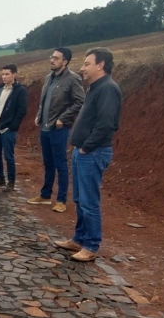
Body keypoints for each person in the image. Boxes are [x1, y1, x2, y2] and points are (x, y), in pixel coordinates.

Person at [54, 48, 122, 262]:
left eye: (86, 64)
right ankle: (79, 238)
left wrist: (86, 147)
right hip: (82, 151)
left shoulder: (108, 89)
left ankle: (91, 246)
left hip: (92, 152)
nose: (82, 68)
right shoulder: (95, 87)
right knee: (80, 198)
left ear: (100, 65)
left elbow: (106, 124)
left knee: (89, 200)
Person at [27, 47, 85, 213]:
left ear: (65, 61)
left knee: (60, 164)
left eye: (56, 58)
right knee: (48, 163)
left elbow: (80, 101)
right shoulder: (48, 78)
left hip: (59, 128)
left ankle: (61, 200)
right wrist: (39, 115)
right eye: (51, 57)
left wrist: (63, 119)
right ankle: (45, 196)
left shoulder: (73, 79)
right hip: (44, 127)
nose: (52, 60)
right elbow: (43, 101)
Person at [0, 64, 28, 192]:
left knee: (8, 156)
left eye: (7, 74)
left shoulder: (20, 91)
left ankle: (11, 182)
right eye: (3, 74)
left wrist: (13, 126)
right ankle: (0, 178)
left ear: (14, 75)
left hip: (8, 129)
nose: (4, 77)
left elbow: (22, 110)